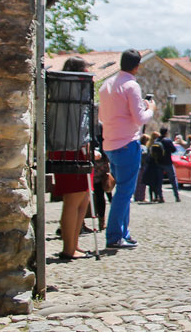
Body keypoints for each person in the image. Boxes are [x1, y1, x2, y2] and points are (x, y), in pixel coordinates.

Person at [100, 49, 156, 249]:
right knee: (125, 192)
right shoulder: (131, 86)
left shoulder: (106, 85)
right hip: (126, 143)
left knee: (121, 191)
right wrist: (150, 109)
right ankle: (115, 236)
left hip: (110, 143)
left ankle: (123, 232)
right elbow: (139, 119)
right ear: (136, 66)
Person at [50, 56, 94, 259]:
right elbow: (78, 119)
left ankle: (73, 244)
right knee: (73, 199)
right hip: (72, 147)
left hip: (73, 146)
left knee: (82, 199)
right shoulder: (72, 89)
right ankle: (68, 248)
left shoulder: (71, 88)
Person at [159, 128, 180, 201]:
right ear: (166, 133)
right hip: (168, 162)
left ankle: (160, 197)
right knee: (173, 179)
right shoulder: (167, 141)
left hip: (158, 163)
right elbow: (174, 150)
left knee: (159, 181)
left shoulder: (157, 141)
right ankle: (177, 196)